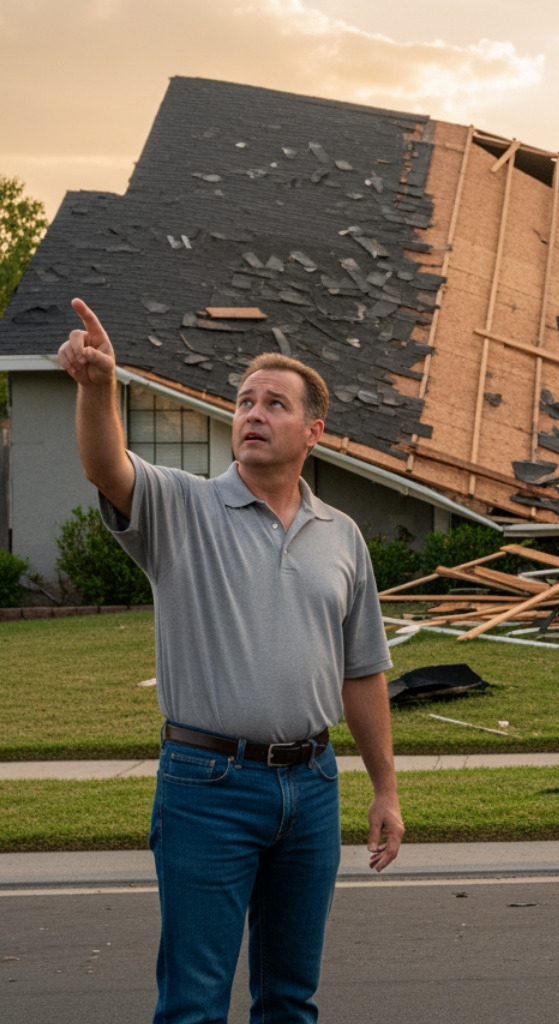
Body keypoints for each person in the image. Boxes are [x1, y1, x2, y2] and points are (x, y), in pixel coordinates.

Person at [57, 298, 404, 1024]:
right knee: (192, 1004)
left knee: (289, 998)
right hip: (206, 786)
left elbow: (362, 671)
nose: (253, 412)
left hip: (311, 788)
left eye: (275, 403)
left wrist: (385, 789)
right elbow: (106, 465)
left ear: (313, 431)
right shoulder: (181, 509)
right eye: (245, 401)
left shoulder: (341, 537)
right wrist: (98, 389)